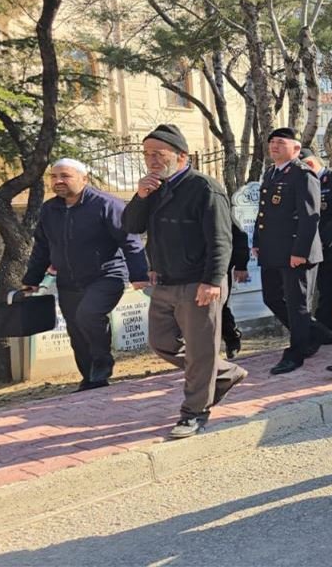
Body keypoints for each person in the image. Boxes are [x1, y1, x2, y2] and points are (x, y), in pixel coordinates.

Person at [123, 124, 246, 439]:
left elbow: (221, 239)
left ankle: (194, 414)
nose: (151, 160)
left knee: (200, 352)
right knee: (161, 343)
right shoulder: (155, 188)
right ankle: (225, 372)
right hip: (164, 282)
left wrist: (213, 280)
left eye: (158, 153)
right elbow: (130, 225)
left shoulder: (204, 188)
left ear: (181, 155)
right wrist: (140, 196)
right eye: (146, 154)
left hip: (199, 283)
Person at [22, 158, 149, 391]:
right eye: (54, 176)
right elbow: (42, 247)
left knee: (88, 315)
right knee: (76, 330)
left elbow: (130, 240)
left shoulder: (106, 204)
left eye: (65, 176)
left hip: (107, 276)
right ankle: (91, 379)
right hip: (68, 281)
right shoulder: (50, 209)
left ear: (84, 178)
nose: (58, 181)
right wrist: (32, 279)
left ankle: (102, 360)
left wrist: (139, 274)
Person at [255, 128, 327, 375]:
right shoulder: (271, 173)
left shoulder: (302, 174)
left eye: (280, 142)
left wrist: (300, 251)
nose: (274, 146)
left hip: (296, 252)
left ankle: (296, 353)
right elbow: (263, 213)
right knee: (272, 297)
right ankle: (316, 333)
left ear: (296, 148)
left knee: (297, 304)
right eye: (272, 142)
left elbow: (310, 216)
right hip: (273, 250)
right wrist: (257, 241)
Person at [300, 148, 332, 338]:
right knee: (323, 287)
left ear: (309, 164)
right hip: (314, 246)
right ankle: (325, 329)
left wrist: (324, 240)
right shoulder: (303, 182)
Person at [223, 221, 249, 359]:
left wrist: (241, 265)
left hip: (217, 268)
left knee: (220, 308)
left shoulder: (214, 202)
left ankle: (232, 339)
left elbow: (239, 236)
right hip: (186, 269)